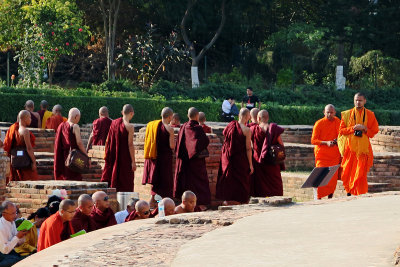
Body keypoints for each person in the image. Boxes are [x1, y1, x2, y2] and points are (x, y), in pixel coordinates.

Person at [338, 93, 379, 196]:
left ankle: (360, 193)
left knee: (360, 173)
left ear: (365, 101)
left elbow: (374, 131)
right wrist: (353, 128)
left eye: (360, 100)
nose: (358, 102)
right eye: (356, 100)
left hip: (363, 150)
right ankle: (349, 191)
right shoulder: (347, 114)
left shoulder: (370, 114)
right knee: (347, 171)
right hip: (350, 149)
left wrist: (364, 128)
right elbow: (341, 130)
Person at [174, 107, 211, 208]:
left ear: (188, 116)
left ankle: (187, 204)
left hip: (185, 161)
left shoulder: (183, 126)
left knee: (188, 182)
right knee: (199, 183)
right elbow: (203, 141)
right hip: (196, 161)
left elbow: (179, 144)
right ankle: (200, 205)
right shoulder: (198, 128)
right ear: (197, 116)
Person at [216, 108, 254, 204]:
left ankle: (228, 200)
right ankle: (240, 201)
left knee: (229, 179)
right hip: (240, 159)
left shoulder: (231, 125)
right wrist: (250, 164)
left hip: (228, 157)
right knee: (241, 181)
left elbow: (225, 136)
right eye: (249, 115)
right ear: (246, 116)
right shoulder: (246, 130)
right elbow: (248, 148)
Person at [142, 107, 175, 208]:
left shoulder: (152, 125)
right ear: (170, 116)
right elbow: (172, 146)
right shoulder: (169, 129)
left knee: (156, 180)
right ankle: (166, 203)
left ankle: (152, 201)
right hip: (165, 158)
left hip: (154, 157)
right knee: (165, 181)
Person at [101, 104, 136, 192]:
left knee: (114, 178)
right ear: (131, 113)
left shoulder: (114, 123)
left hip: (113, 157)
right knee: (125, 184)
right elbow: (130, 145)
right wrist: (133, 161)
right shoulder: (130, 127)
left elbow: (108, 141)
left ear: (122, 112)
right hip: (125, 159)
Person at [250, 110, 285, 197]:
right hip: (272, 163)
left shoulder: (253, 129)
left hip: (259, 163)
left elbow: (250, 146)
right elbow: (281, 145)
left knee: (261, 188)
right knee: (275, 187)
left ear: (258, 118)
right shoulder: (273, 129)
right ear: (268, 118)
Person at [311, 104, 342, 199]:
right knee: (320, 176)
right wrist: (326, 143)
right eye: (327, 112)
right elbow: (313, 140)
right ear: (324, 112)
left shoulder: (338, 122)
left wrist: (337, 140)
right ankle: (318, 198)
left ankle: (330, 198)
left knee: (332, 179)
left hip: (334, 155)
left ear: (335, 113)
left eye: (331, 112)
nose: (329, 114)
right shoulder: (319, 123)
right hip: (322, 155)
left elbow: (342, 136)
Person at [54, 108, 88, 181]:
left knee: (65, 178)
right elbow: (79, 143)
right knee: (75, 179)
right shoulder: (75, 126)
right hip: (73, 158)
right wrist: (86, 156)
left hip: (63, 157)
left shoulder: (61, 125)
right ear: (76, 116)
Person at [3, 110, 38, 182]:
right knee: (30, 180)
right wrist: (34, 162)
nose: (31, 120)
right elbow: (29, 148)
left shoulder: (14, 128)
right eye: (30, 117)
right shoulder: (25, 131)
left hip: (16, 160)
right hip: (25, 161)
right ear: (24, 119)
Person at [0, 201, 27, 266]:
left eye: (16, 212)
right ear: (4, 214)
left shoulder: (12, 222)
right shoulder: (1, 227)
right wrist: (17, 237)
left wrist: (22, 235)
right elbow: (4, 251)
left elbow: (17, 244)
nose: (15, 215)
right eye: (12, 213)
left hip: (11, 253)